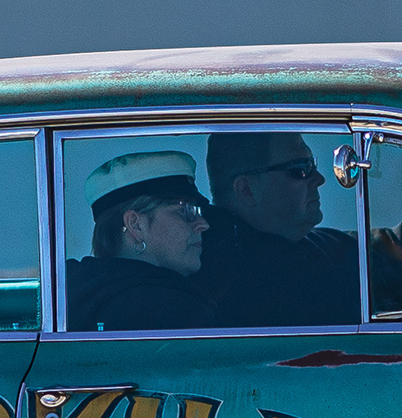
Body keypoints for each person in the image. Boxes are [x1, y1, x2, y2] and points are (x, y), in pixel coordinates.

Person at [201, 131, 363, 328]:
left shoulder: (288, 242)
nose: (319, 179)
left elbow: (358, 247)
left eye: (312, 164)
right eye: (300, 169)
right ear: (246, 190)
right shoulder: (256, 282)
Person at [64, 150, 214, 331]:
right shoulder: (174, 310)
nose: (203, 224)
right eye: (186, 210)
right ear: (136, 224)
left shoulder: (68, 301)